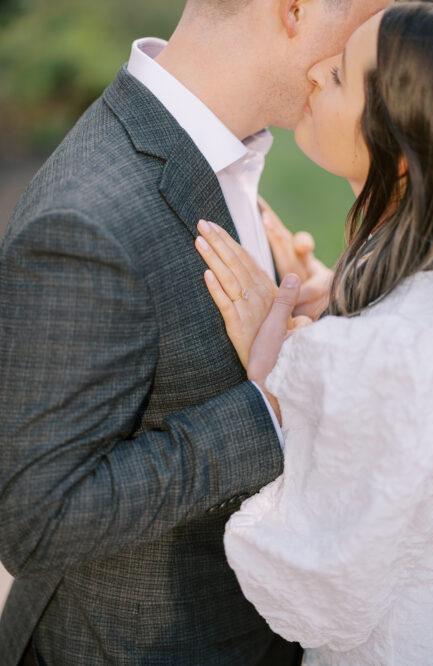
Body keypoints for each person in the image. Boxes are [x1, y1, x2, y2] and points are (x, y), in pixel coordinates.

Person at [0, 0, 390, 664]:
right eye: (364, 24)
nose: (369, 55)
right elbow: (36, 520)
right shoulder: (87, 218)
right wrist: (267, 409)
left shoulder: (217, 154)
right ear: (294, 10)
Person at [194, 1, 433, 663]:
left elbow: (312, 581)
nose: (316, 70)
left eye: (339, 78)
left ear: (402, 156)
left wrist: (274, 382)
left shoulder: (395, 348)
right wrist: (341, 299)